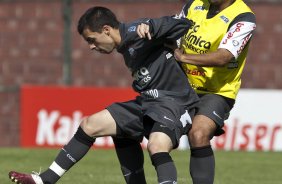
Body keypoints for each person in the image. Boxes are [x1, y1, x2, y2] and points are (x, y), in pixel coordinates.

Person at [8, 6, 199, 184]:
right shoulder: (125, 44)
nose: (91, 46)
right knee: (90, 125)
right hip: (148, 103)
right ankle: (45, 180)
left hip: (175, 103)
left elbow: (183, 23)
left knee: (157, 145)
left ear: (107, 30)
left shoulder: (138, 31)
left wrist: (153, 25)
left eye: (92, 39)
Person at [131, 0, 257, 183]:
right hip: (181, 87)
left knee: (198, 134)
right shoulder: (194, 4)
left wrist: (183, 57)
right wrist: (150, 25)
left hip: (217, 91)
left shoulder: (244, 17)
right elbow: (174, 25)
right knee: (157, 142)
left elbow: (224, 56)